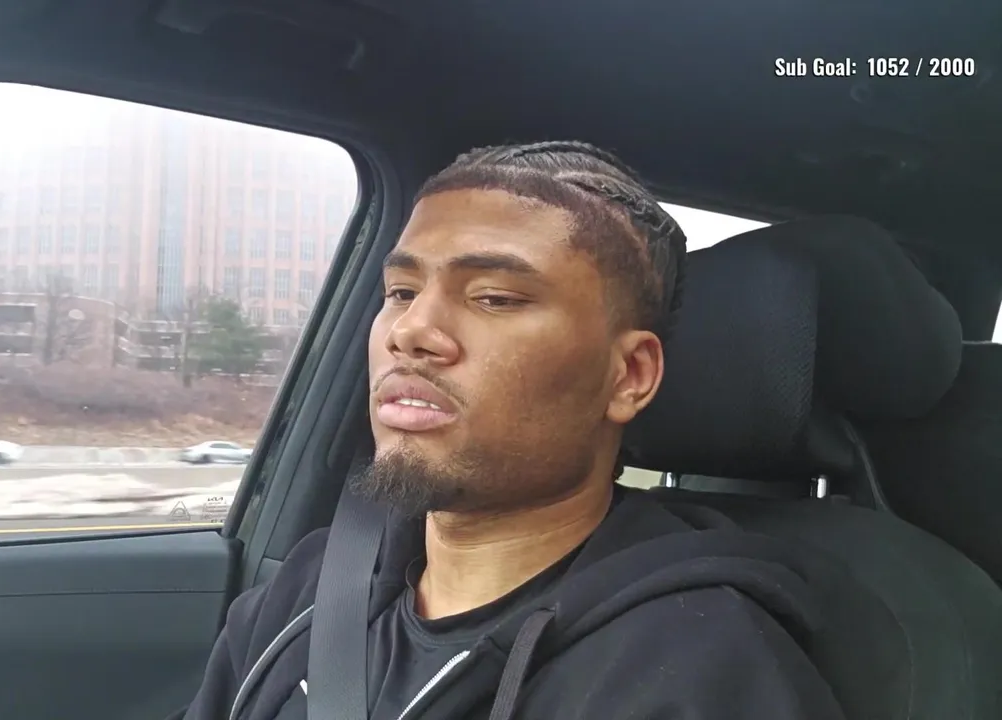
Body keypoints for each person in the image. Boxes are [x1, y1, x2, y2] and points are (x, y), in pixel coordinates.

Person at [174, 141, 845, 719]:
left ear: (629, 376)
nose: (411, 331)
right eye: (402, 292)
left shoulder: (698, 667)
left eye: (494, 297)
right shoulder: (314, 584)